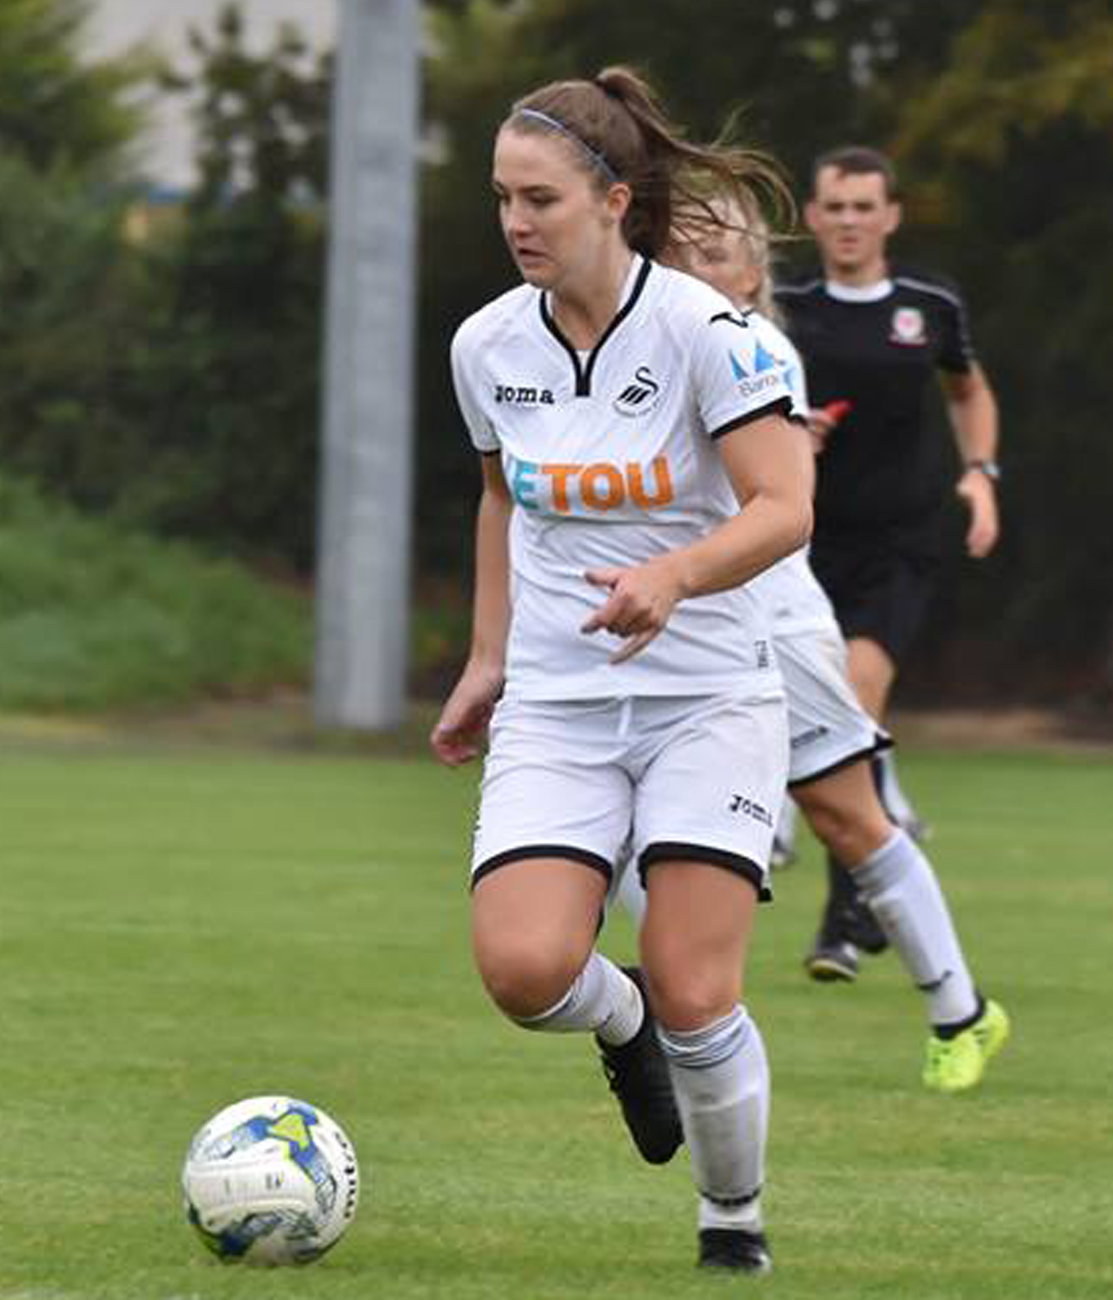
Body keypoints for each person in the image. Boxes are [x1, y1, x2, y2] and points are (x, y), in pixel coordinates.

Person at [430, 67, 810, 1273]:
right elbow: (500, 498)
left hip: (708, 697)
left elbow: (786, 506)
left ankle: (731, 1220)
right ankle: (621, 1019)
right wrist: (488, 657)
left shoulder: (711, 336)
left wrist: (678, 576)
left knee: (704, 990)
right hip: (558, 702)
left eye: (539, 198)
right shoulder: (487, 345)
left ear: (613, 196)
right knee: (526, 968)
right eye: (501, 200)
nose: (517, 223)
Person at [637, 195, 1009, 1092]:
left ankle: (961, 1012)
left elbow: (776, 500)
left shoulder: (760, 352)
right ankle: (653, 1019)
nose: (694, 260)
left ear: (750, 274)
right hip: (680, 620)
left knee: (849, 816)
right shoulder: (637, 352)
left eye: (715, 247)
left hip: (771, 620)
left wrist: (795, 443)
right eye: (678, 246)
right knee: (633, 824)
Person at [772, 147, 1004, 982]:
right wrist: (792, 434)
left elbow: (970, 390)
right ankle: (810, 845)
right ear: (811, 214)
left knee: (854, 700)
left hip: (901, 543)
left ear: (891, 215)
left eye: (865, 206)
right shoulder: (782, 308)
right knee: (812, 714)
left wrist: (981, 475)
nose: (849, 221)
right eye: (835, 206)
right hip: (797, 543)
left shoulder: (929, 305)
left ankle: (844, 922)